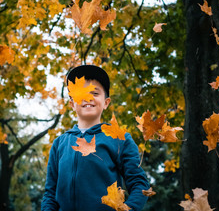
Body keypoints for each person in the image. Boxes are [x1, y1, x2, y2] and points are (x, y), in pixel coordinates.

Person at [42, 65, 150, 211]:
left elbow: (139, 184)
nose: (88, 97)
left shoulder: (119, 138)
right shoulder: (59, 144)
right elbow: (50, 193)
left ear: (106, 103)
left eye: (95, 93)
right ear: (72, 104)